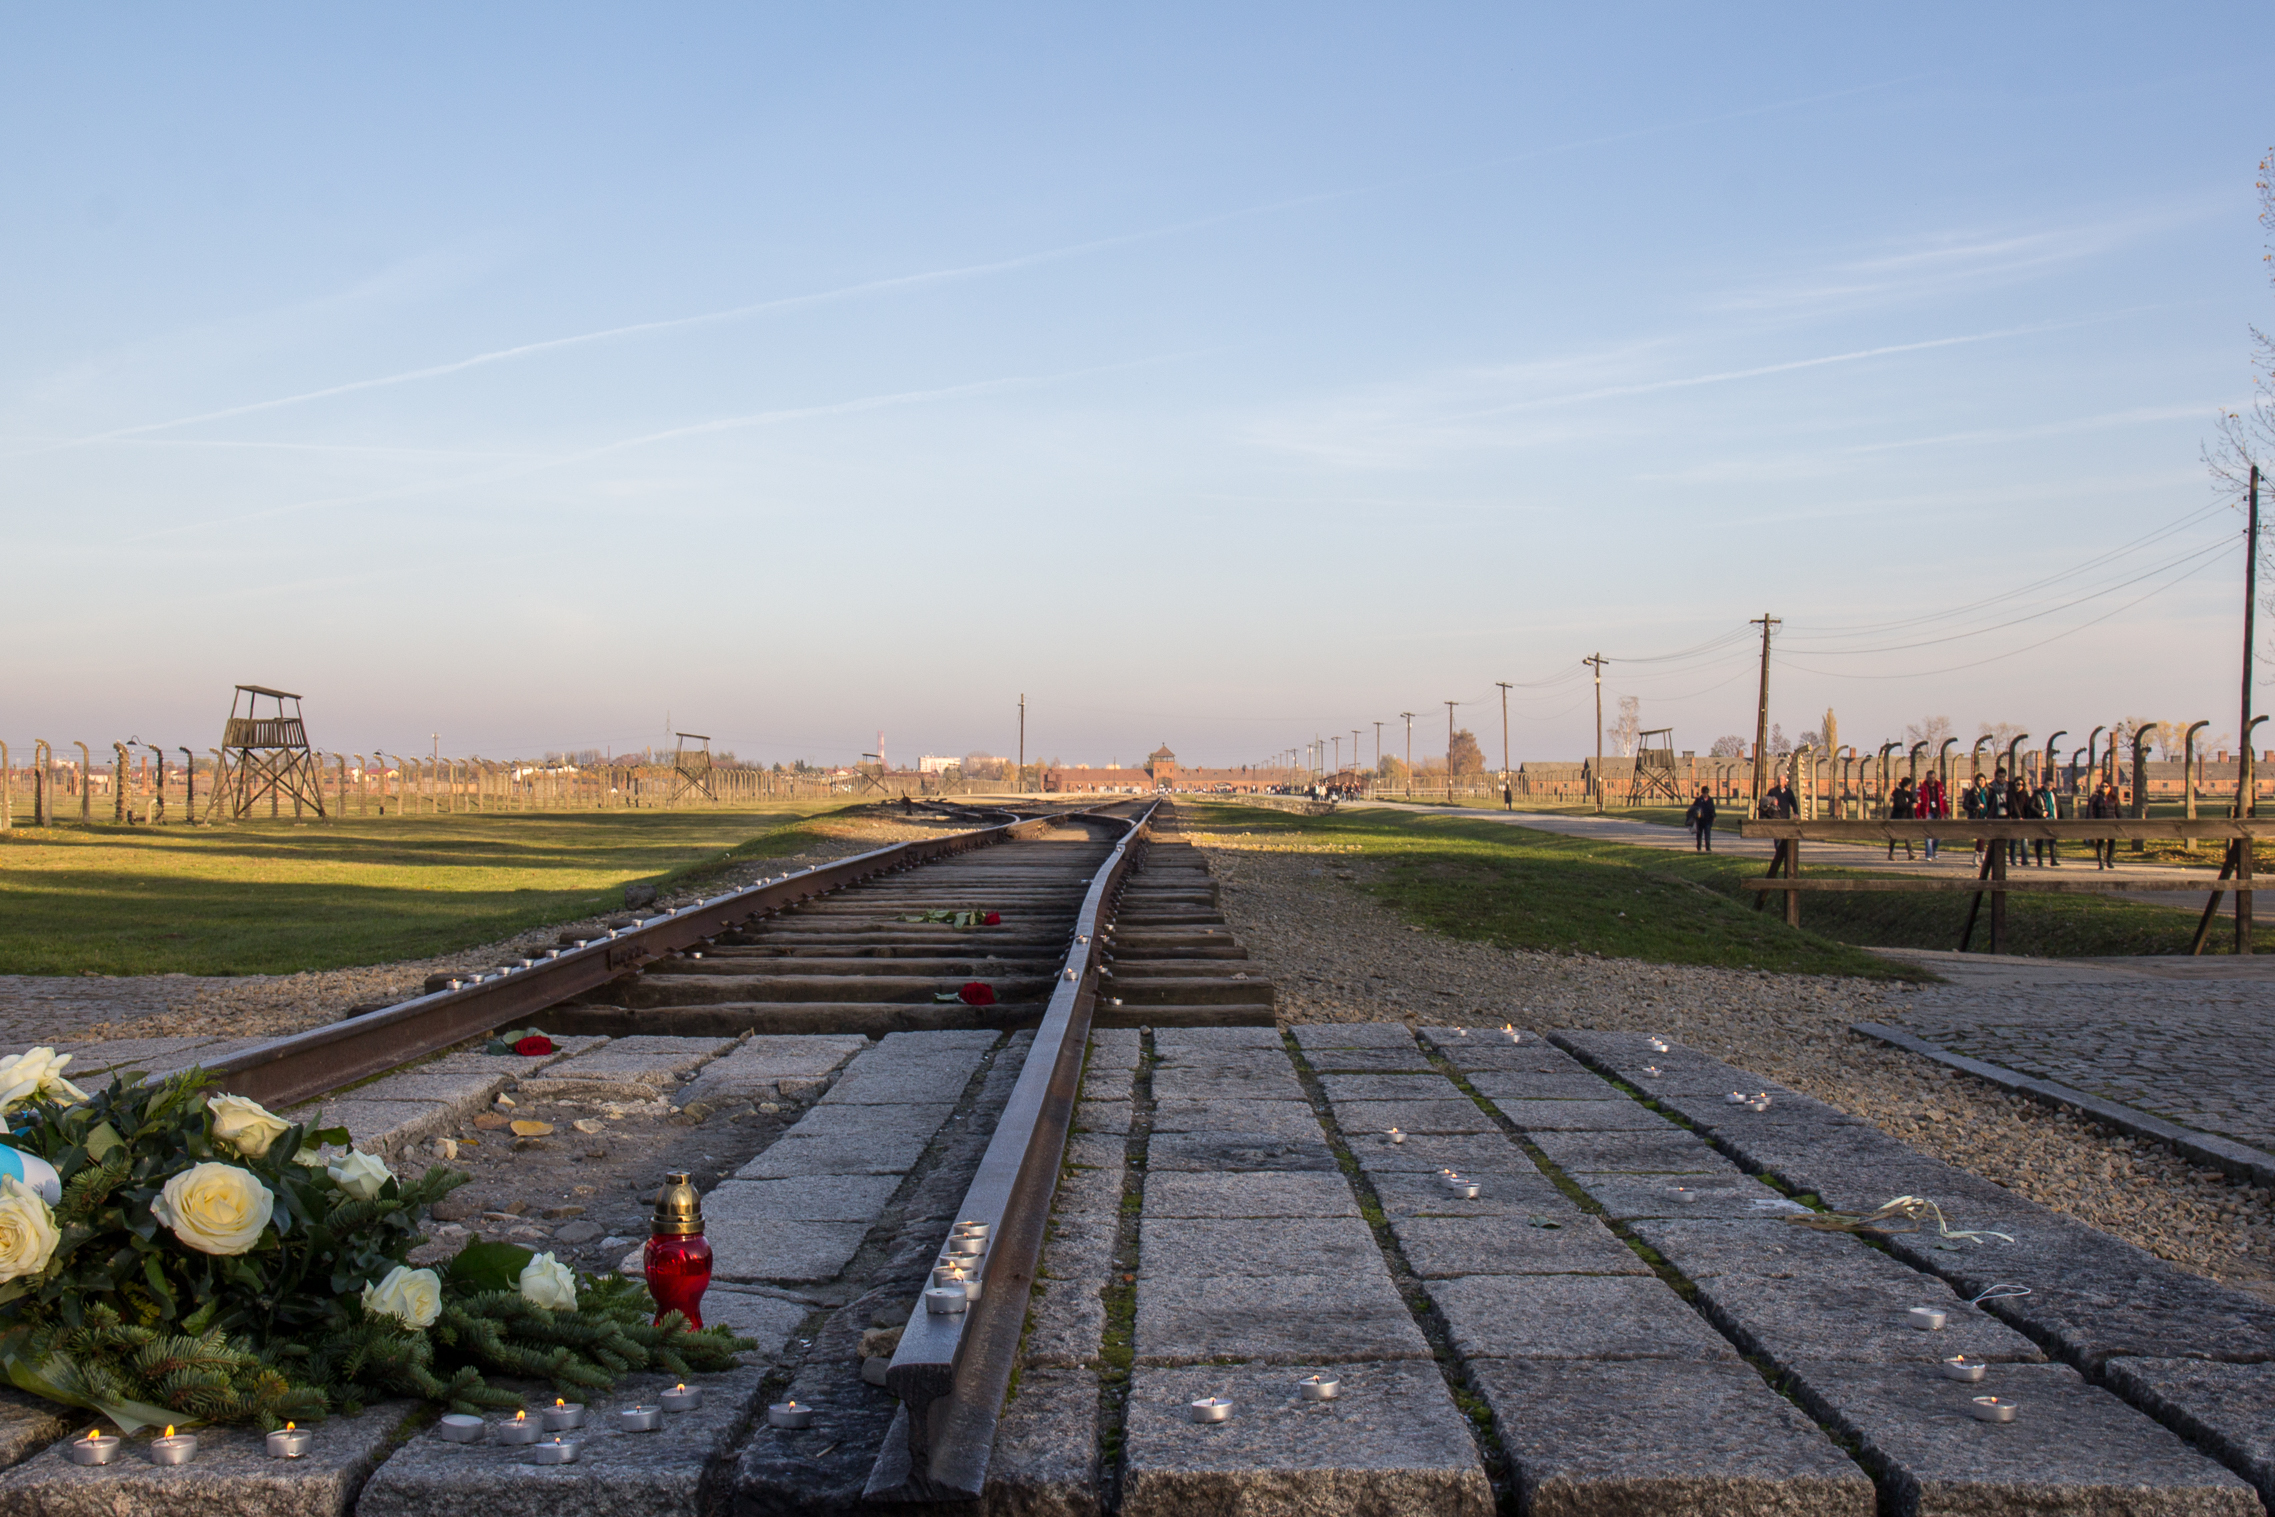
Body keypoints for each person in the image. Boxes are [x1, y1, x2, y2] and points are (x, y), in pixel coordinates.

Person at [1916, 769, 1946, 860]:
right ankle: (1929, 855)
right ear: (1926, 778)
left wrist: (1946, 812)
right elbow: (1918, 803)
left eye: (1933, 778)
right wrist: (1918, 815)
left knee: (1939, 834)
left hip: (1938, 812)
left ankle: (1934, 850)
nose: (1931, 780)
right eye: (1929, 778)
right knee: (1928, 834)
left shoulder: (1940, 787)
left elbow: (1944, 800)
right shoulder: (1922, 788)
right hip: (1927, 813)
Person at [2089, 781, 2119, 868]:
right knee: (2100, 842)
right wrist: (2090, 821)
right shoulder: (2096, 798)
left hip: (2111, 822)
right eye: (2102, 786)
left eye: (2106, 786)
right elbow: (2090, 810)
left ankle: (2109, 860)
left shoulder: (2114, 798)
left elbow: (2118, 811)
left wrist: (2121, 821)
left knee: (2112, 841)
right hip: (2100, 822)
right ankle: (2101, 863)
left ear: (2110, 788)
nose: (2104, 788)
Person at [2032, 777, 2061, 866]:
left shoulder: (2054, 795)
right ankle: (2039, 860)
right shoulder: (2038, 794)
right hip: (2041, 819)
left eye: (2051, 785)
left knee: (2052, 839)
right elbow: (2031, 806)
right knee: (2040, 840)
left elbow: (2058, 807)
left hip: (2053, 819)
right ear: (2043, 785)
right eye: (2047, 785)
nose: (2049, 787)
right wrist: (2040, 812)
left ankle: (2053, 859)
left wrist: (2060, 818)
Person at [1887, 776, 1917, 859]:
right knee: (1894, 836)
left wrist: (1915, 801)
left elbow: (1912, 801)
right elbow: (1898, 805)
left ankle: (1910, 853)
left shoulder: (1909, 794)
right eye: (1909, 785)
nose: (1909, 787)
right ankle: (1891, 853)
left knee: (1907, 835)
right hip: (1898, 817)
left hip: (1907, 817)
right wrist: (1910, 805)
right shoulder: (1898, 793)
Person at [1685, 786, 1716, 851]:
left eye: (1707, 793)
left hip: (1708, 820)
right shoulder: (1698, 800)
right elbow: (1693, 808)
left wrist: (1714, 816)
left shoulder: (1710, 800)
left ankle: (1708, 848)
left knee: (1707, 833)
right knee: (1699, 834)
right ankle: (1699, 847)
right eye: (1704, 793)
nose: (1705, 794)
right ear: (1702, 793)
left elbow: (1712, 809)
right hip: (1700, 820)